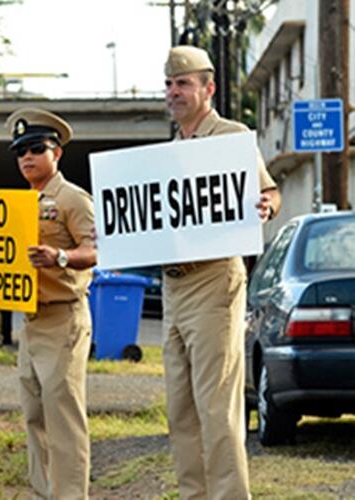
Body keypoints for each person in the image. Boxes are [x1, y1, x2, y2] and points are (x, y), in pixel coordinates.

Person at [161, 45, 280, 500]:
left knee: (216, 407)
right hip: (173, 287)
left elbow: (269, 191)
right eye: (170, 84)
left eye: (183, 83)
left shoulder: (232, 136)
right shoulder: (168, 151)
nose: (174, 92)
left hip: (214, 282)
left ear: (208, 88)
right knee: (180, 410)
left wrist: (265, 205)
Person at [0, 108, 97, 498]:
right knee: (34, 415)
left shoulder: (72, 199)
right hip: (30, 321)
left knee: (63, 416)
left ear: (57, 153)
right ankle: (44, 492)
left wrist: (61, 257)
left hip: (63, 316)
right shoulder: (17, 206)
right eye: (20, 151)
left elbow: (95, 249)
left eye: (36, 148)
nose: (27, 157)